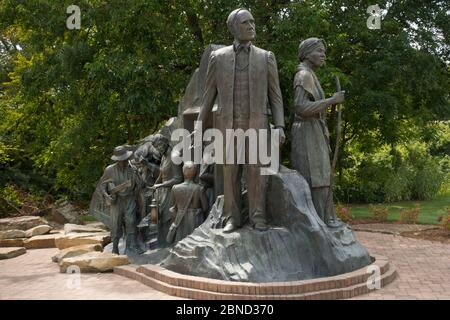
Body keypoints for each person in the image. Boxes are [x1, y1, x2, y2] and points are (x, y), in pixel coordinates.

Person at [194, 8, 285, 233]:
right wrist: (198, 127)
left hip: (257, 125)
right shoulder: (219, 57)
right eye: (246, 23)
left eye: (253, 22)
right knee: (230, 171)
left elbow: (276, 96)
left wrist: (281, 126)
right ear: (234, 27)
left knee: (255, 172)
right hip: (228, 126)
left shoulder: (266, 57)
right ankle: (231, 218)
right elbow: (208, 97)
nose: (252, 26)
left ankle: (258, 217)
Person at [290, 38, 345, 226]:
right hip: (306, 131)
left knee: (321, 175)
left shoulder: (311, 75)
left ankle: (324, 217)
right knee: (314, 176)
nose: (323, 56)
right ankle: (318, 220)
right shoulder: (303, 75)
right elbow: (301, 107)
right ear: (307, 53)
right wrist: (331, 101)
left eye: (324, 52)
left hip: (314, 129)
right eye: (319, 51)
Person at [100, 146, 143, 254]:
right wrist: (107, 196)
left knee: (131, 222)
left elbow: (141, 185)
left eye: (125, 159)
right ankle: (115, 247)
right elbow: (102, 186)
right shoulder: (110, 170)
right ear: (117, 160)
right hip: (117, 200)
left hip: (130, 199)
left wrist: (137, 175)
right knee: (116, 224)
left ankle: (132, 246)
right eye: (121, 160)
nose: (123, 161)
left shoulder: (132, 169)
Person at [150, 134, 183, 247]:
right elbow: (162, 172)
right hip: (163, 191)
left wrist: (161, 185)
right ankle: (162, 241)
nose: (158, 149)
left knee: (168, 217)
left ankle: (169, 242)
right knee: (160, 217)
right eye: (156, 147)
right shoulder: (164, 155)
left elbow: (178, 179)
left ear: (165, 142)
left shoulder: (174, 156)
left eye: (159, 145)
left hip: (172, 192)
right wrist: (155, 184)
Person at [166, 161, 209, 245]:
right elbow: (205, 207)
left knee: (180, 245)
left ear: (183, 172)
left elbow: (173, 207)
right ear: (195, 173)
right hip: (195, 221)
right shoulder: (200, 188)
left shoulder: (175, 188)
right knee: (194, 245)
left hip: (180, 219)